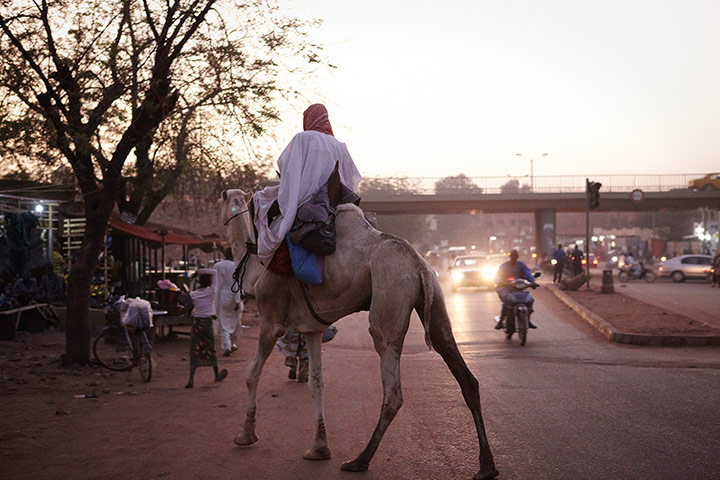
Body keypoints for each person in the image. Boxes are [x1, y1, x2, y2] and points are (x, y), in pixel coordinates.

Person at [252, 104, 362, 269]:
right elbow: (351, 177)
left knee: (259, 201)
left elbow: (288, 170)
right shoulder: (339, 145)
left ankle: (262, 258)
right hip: (334, 203)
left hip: (305, 199)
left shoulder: (303, 138)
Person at [185, 268, 228, 388]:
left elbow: (189, 306)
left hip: (197, 323)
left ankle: (191, 379)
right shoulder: (211, 291)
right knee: (210, 348)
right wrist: (200, 270)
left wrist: (196, 274)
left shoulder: (194, 294)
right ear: (209, 282)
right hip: (207, 323)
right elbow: (214, 272)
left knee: (195, 349)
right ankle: (216, 375)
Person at [494, 249, 538, 329]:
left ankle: (527, 320)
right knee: (506, 301)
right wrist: (500, 281)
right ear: (510, 257)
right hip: (506, 287)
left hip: (519, 287)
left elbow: (528, 273)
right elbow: (498, 275)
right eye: (512, 256)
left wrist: (532, 282)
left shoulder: (521, 265)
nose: (514, 258)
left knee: (530, 300)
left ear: (517, 257)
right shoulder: (504, 266)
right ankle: (501, 320)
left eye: (515, 257)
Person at [213, 248, 242, 356]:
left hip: (221, 296)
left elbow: (215, 284)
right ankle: (228, 345)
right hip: (233, 295)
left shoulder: (217, 266)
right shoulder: (236, 266)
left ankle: (228, 345)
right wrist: (238, 300)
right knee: (232, 321)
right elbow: (237, 283)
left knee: (223, 321)